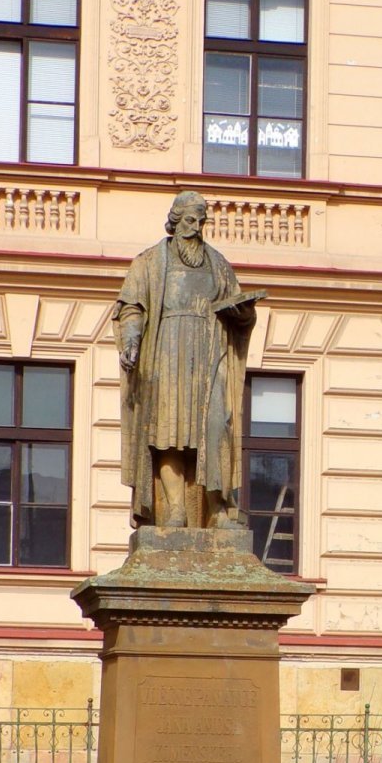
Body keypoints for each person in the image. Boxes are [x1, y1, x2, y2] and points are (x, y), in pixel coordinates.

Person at [113, 190, 260, 529]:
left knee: (215, 429)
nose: (196, 228)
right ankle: (175, 510)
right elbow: (132, 307)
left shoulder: (218, 263)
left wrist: (242, 314)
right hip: (165, 352)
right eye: (190, 220)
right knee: (167, 432)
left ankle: (218, 509)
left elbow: (241, 314)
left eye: (201, 221)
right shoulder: (150, 262)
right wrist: (132, 342)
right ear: (175, 221)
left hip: (210, 353)